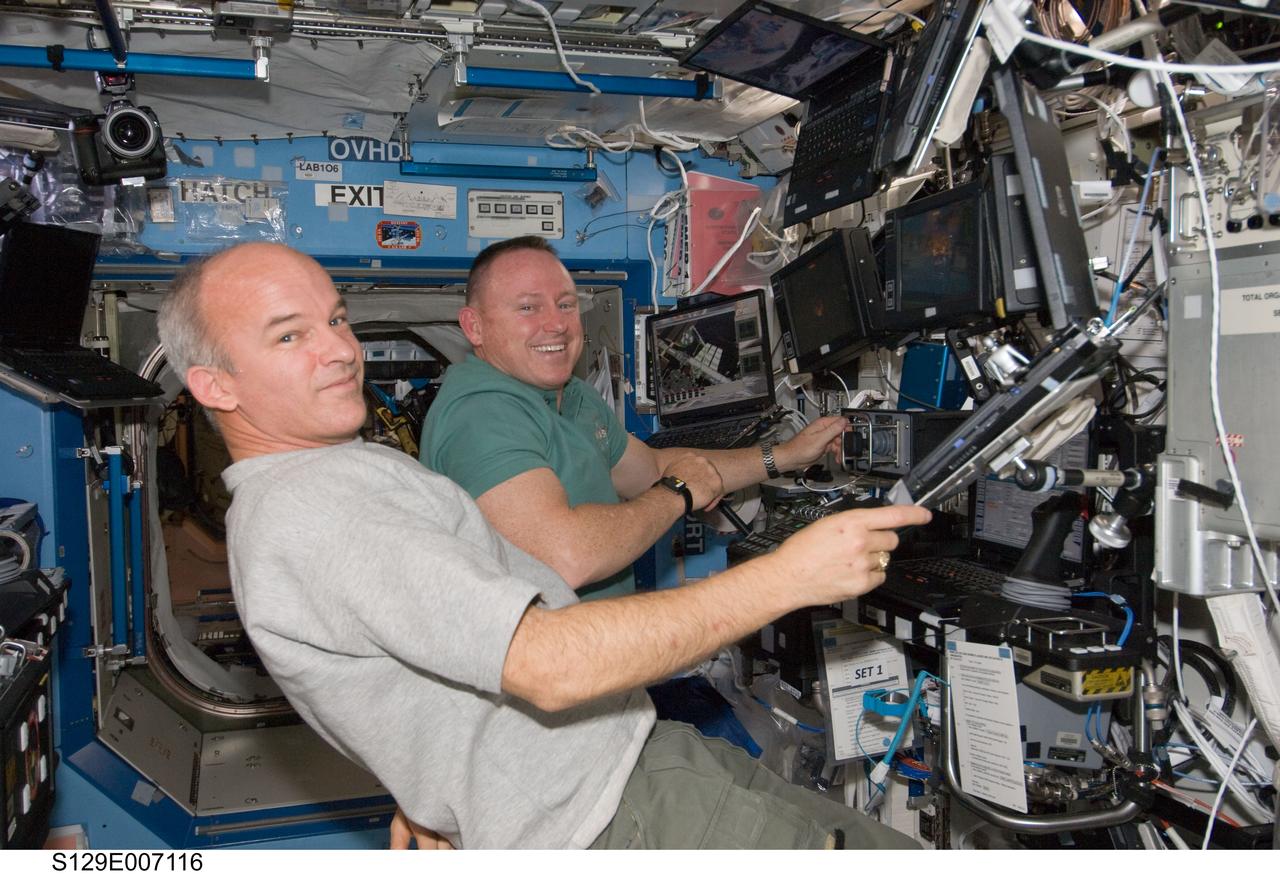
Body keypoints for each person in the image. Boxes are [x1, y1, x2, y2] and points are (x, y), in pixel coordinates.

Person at [157, 241, 931, 849]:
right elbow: (549, 660)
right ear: (215, 387)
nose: (339, 350)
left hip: (624, 763)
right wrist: (788, 577)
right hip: (612, 819)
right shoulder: (317, 505)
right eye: (289, 335)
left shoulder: (332, 477)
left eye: (334, 318)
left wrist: (781, 458)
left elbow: (396, 668)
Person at [422, 235, 849, 599]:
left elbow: (654, 469)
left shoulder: (571, 395)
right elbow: (568, 556)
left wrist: (786, 455)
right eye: (528, 308)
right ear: (474, 327)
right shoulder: (480, 412)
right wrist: (678, 493)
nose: (556, 325)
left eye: (566, 305)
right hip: (533, 687)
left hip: (597, 666)